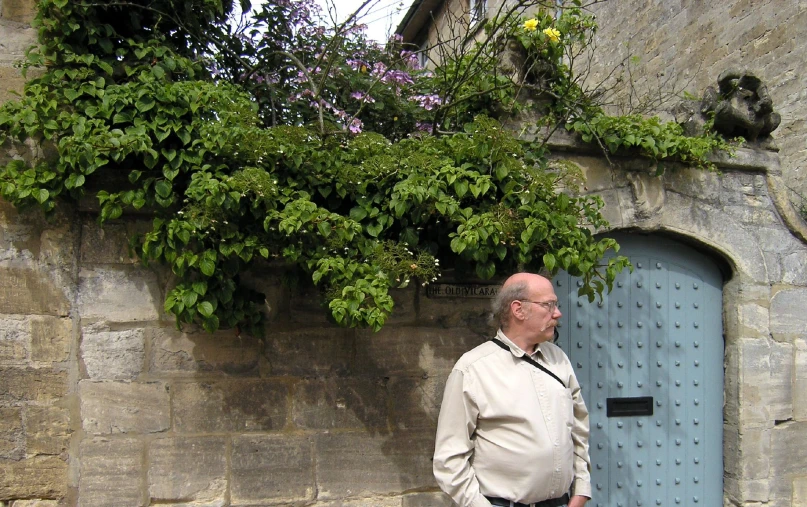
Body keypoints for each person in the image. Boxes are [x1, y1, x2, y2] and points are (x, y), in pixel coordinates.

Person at [433, 272, 591, 507]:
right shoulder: (473, 368)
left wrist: (580, 492)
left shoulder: (559, 359)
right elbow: (449, 459)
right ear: (518, 310)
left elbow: (579, 430)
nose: (557, 313)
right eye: (549, 305)